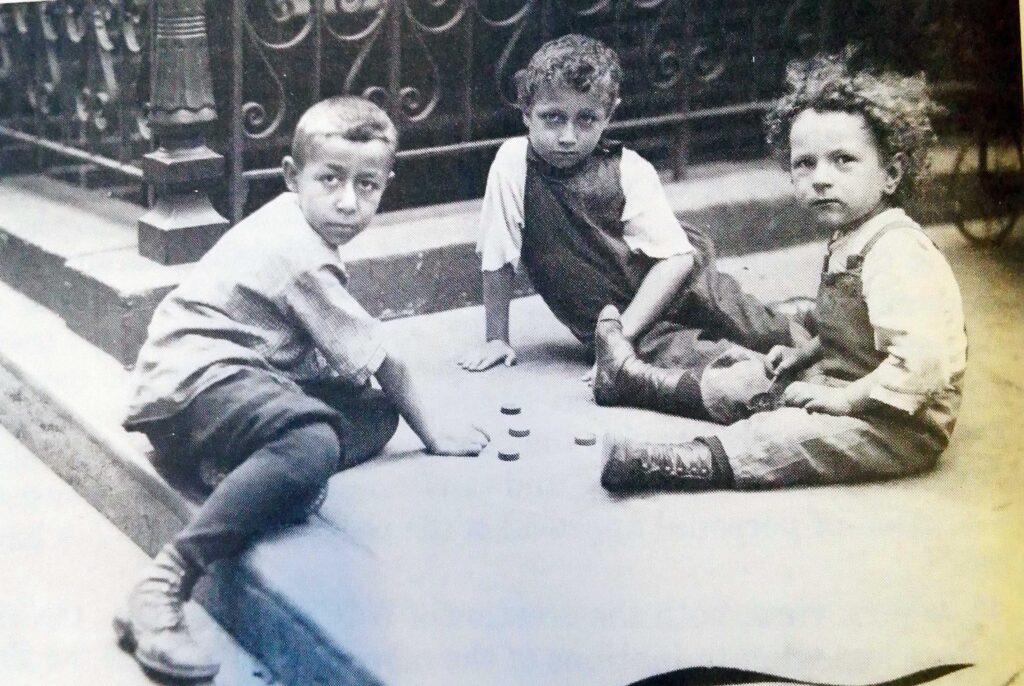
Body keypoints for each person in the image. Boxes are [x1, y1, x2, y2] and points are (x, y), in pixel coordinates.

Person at [115, 96, 490, 679]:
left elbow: (356, 372)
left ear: (387, 185)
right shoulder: (299, 251)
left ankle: (245, 468)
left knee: (373, 414)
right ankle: (162, 587)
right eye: (330, 179)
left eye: (367, 185)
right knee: (314, 441)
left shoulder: (298, 227)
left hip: (218, 388)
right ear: (293, 178)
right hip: (192, 387)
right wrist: (436, 434)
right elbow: (384, 358)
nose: (348, 200)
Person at [596, 51, 966, 493]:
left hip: (899, 422)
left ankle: (668, 463)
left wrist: (842, 399)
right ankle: (633, 382)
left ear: (891, 173)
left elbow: (922, 364)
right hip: (847, 380)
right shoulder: (852, 235)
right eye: (804, 163)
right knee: (755, 377)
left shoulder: (896, 250)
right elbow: (849, 334)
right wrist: (802, 356)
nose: (820, 178)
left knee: (786, 435)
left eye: (843, 160)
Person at [458, 34, 803, 378]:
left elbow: (677, 260)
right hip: (618, 319)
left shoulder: (628, 169)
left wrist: (617, 337)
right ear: (526, 115)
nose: (568, 136)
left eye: (586, 119)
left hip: (683, 288)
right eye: (552, 118)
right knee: (715, 365)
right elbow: (498, 251)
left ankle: (827, 334)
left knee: (768, 330)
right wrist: (496, 339)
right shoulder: (512, 163)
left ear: (608, 116)